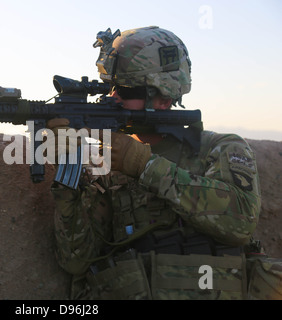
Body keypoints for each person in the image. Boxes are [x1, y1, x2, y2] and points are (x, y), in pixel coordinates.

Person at [47, 26, 268, 300]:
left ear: (163, 98)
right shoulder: (111, 165)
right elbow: (76, 260)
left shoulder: (218, 148)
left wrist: (146, 167)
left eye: (125, 90)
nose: (112, 96)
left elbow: (241, 222)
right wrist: (68, 173)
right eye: (110, 87)